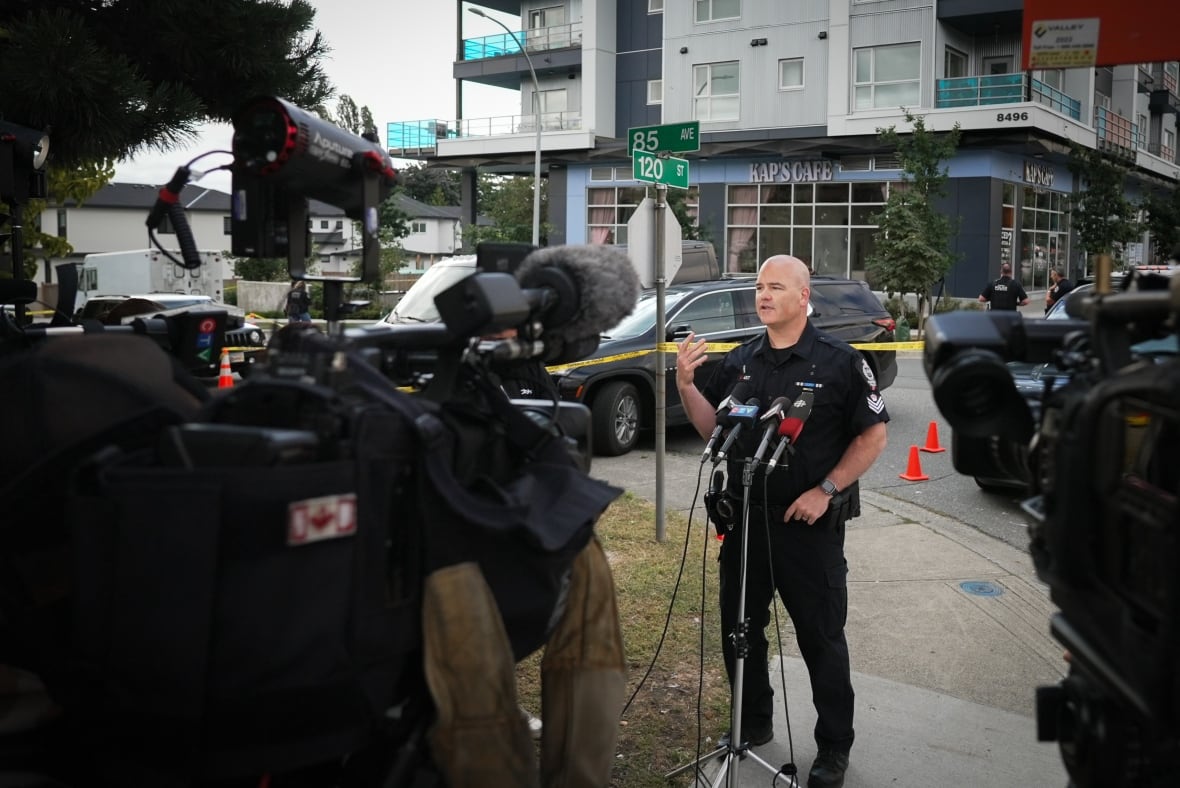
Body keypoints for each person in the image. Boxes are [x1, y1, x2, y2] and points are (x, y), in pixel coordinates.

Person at [675, 255, 888, 788]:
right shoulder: (744, 360)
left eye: (775, 287)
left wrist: (827, 489)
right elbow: (714, 431)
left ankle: (833, 748)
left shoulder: (839, 362)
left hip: (808, 529)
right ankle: (753, 722)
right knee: (738, 630)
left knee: (820, 639)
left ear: (803, 295)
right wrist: (684, 385)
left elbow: (873, 435)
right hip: (746, 519)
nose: (763, 295)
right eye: (758, 286)